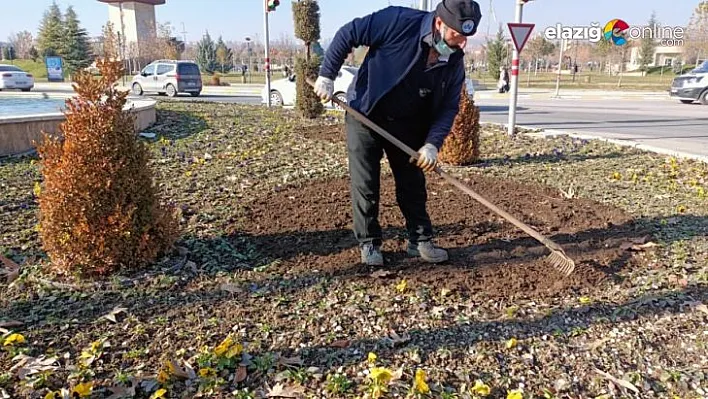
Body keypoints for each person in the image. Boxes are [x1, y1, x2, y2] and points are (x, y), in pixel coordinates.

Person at [313, 0, 482, 266]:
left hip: (408, 123)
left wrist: (431, 144)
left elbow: (449, 108)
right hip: (365, 114)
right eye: (456, 34)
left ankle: (420, 241)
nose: (460, 42)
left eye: (465, 37)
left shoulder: (453, 63)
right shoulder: (398, 21)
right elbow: (349, 33)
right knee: (366, 184)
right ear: (439, 22)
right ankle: (369, 244)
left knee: (412, 183)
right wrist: (327, 74)